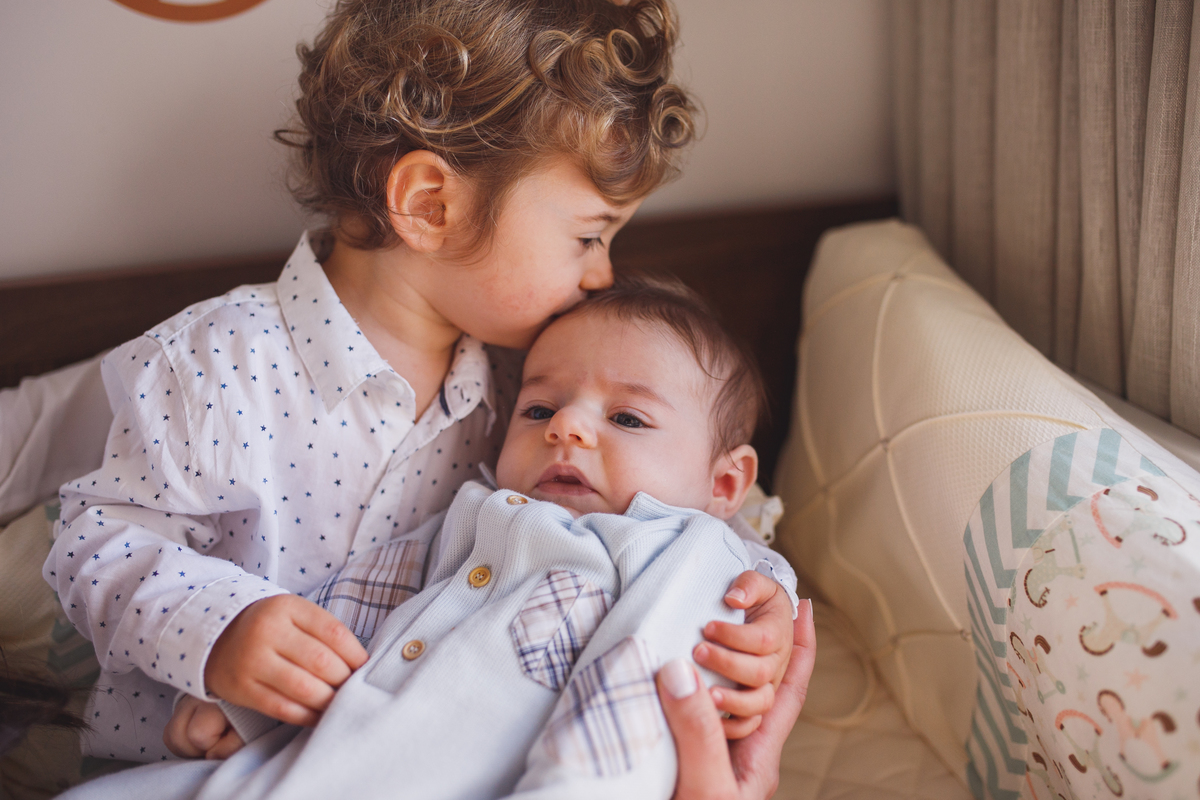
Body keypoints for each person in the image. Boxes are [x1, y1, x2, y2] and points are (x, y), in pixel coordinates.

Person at [42, 0, 803, 789]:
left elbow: (663, 518)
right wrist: (218, 630)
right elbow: (93, 544)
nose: (602, 274)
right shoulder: (214, 362)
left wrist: (759, 599)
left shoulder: (533, 389)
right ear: (430, 205)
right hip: (198, 764)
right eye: (588, 235)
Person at [61, 277, 801, 799]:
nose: (566, 427)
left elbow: (632, 710)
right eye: (539, 407)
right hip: (307, 766)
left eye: (629, 420)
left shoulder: (686, 556)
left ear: (727, 487)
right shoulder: (479, 512)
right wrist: (244, 702)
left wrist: (772, 589)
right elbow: (356, 599)